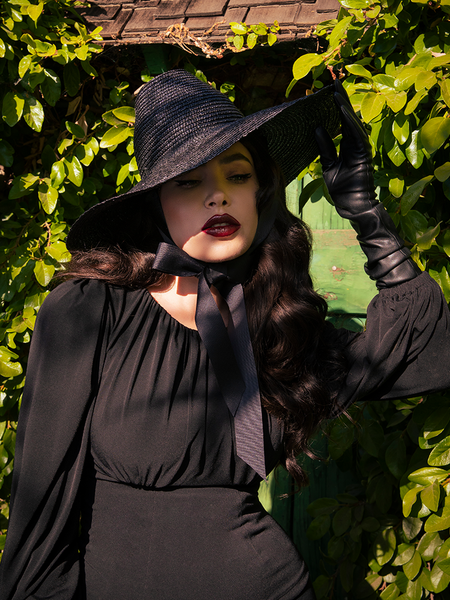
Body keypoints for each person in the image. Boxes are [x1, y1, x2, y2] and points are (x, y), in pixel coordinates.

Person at [1, 69, 449, 600]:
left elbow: (426, 349)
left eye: (236, 176)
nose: (218, 197)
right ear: (156, 204)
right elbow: (41, 503)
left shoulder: (279, 324)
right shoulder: (91, 307)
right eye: (190, 182)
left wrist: (365, 211)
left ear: (259, 192)